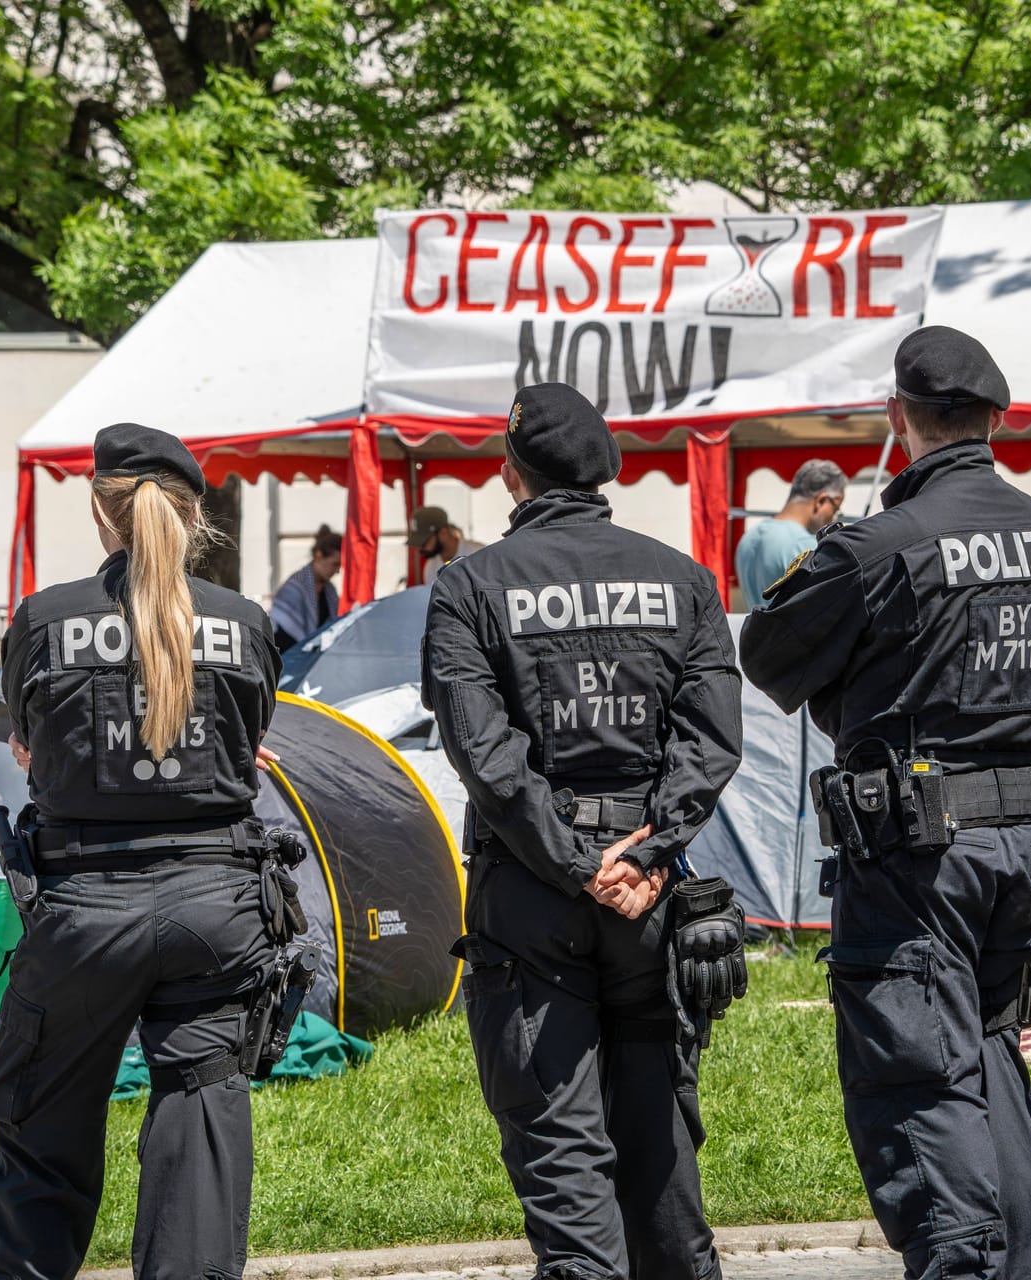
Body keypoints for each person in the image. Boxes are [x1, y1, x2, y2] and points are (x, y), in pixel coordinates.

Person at [739, 326, 1031, 1280]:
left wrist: (853, 690)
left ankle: (963, 1264)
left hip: (916, 856)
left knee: (916, 1072)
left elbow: (767, 654)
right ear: (996, 420)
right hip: (1017, 841)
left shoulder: (879, 544)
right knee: (987, 1056)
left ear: (901, 417)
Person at [421, 382, 744, 1280]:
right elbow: (712, 739)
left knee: (563, 1159)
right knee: (662, 1150)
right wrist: (650, 851)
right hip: (650, 893)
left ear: (510, 476)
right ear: (606, 473)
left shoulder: (471, 587)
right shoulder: (681, 579)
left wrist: (573, 861)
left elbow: (484, 756)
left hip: (533, 893)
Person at [0, 423, 292, 1280]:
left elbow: (32, 744)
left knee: (43, 1134)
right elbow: (246, 745)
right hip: (217, 910)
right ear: (195, 514)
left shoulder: (44, 620)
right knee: (200, 1132)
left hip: (83, 909)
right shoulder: (243, 623)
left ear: (98, 510)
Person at [734, 459, 847, 601]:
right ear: (821, 501)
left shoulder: (749, 537)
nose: (833, 518)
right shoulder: (803, 544)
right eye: (835, 509)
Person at [268, 524, 342, 650]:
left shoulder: (330, 591)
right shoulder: (295, 586)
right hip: (287, 655)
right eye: (334, 564)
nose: (337, 571)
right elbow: (284, 626)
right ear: (318, 556)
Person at [408, 505, 483, 583]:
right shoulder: (431, 566)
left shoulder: (478, 554)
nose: (419, 549)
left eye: (423, 542)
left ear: (443, 533)